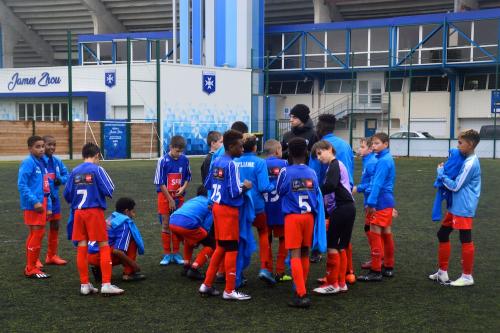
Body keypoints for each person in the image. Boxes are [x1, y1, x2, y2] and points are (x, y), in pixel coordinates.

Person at [199, 129, 253, 301]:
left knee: (221, 246)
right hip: (228, 210)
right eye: (240, 147)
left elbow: (208, 183)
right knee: (231, 249)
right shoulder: (231, 164)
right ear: (231, 146)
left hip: (217, 207)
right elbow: (234, 191)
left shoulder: (216, 161)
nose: (242, 150)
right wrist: (246, 186)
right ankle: (229, 290)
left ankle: (206, 284)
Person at [64, 142, 124, 295]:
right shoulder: (97, 169)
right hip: (94, 212)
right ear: (97, 155)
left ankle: (84, 284)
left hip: (78, 213)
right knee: (103, 245)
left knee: (82, 246)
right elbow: (110, 188)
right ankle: (106, 283)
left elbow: (67, 195)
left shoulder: (75, 171)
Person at [429, 129, 481, 287]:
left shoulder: (471, 163)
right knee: (442, 233)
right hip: (455, 206)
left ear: (470, 144)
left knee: (465, 238)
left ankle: (467, 276)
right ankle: (442, 272)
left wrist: (441, 174)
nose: (457, 146)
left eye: (460, 143)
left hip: (464, 206)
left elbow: (456, 186)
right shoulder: (465, 158)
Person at [277, 137, 323, 308]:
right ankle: (301, 286)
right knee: (305, 253)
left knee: (295, 254)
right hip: (309, 217)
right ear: (306, 153)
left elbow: (280, 191)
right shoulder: (312, 172)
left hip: (293, 217)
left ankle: (301, 293)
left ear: (289, 153)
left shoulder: (286, 171)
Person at [308, 114, 354, 265]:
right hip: (346, 195)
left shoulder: (319, 147)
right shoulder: (345, 145)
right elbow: (349, 170)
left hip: (328, 197)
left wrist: (315, 192)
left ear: (320, 128)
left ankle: (317, 253)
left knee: (327, 233)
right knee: (344, 236)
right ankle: (348, 272)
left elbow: (313, 174)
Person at [311, 141, 356, 295]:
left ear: (329, 149)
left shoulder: (335, 164)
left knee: (332, 245)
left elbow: (330, 185)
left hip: (342, 208)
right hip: (348, 208)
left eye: (319, 153)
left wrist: (314, 191)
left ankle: (332, 283)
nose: (318, 158)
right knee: (341, 245)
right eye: (316, 155)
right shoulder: (335, 165)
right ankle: (341, 283)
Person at [235, 134, 275, 285]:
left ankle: (237, 274)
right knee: (263, 233)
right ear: (255, 147)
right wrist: (273, 186)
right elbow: (264, 186)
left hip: (239, 205)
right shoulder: (259, 162)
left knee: (239, 238)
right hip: (257, 206)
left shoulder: (235, 161)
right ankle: (265, 268)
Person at [357, 133, 396, 282]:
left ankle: (376, 270)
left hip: (380, 202)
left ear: (386, 144)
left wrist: (371, 203)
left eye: (377, 143)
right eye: (373, 143)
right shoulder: (384, 159)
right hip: (386, 200)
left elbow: (377, 184)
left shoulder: (383, 161)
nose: (374, 146)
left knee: (375, 234)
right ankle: (388, 267)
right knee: (386, 233)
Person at [18, 136, 52, 279]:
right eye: (38, 147)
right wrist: (35, 202)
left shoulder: (42, 162)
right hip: (34, 205)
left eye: (43, 146)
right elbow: (22, 184)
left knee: (36, 234)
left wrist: (48, 205)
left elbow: (46, 186)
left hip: (41, 203)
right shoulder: (28, 163)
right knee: (36, 234)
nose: (42, 149)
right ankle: (30, 268)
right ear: (30, 149)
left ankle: (32, 263)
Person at [88, 197, 146, 282]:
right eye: (133, 211)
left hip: (89, 255)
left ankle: (100, 270)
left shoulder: (111, 217)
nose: (134, 214)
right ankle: (128, 273)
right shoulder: (124, 224)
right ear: (126, 211)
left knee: (110, 242)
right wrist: (133, 265)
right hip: (100, 256)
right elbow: (117, 251)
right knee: (133, 241)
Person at [154, 135, 192, 266]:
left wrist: (183, 187)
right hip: (164, 197)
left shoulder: (185, 160)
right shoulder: (162, 161)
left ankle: (176, 253)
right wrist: (170, 199)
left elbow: (188, 177)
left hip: (179, 197)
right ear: (170, 147)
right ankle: (166, 254)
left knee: (176, 224)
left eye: (181, 151)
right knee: (165, 224)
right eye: (177, 151)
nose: (178, 154)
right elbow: (160, 182)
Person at [170, 186, 215, 280]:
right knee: (212, 244)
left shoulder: (192, 200)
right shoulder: (210, 203)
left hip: (173, 220)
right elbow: (206, 225)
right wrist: (202, 238)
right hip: (187, 223)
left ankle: (186, 266)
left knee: (189, 239)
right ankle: (194, 269)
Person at [262, 139, 290, 282]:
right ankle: (280, 271)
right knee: (283, 239)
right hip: (280, 209)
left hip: (265, 209)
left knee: (266, 239)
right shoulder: (285, 164)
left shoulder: (261, 164)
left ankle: (266, 269)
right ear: (278, 150)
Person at [42, 135, 69, 265]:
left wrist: (61, 180)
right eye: (49, 144)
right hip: (43, 200)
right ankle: (34, 260)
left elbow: (67, 175)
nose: (52, 147)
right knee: (39, 229)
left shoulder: (57, 161)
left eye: (54, 144)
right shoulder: (39, 161)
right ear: (43, 145)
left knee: (55, 225)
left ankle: (51, 256)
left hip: (55, 200)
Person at [353, 137, 378, 269]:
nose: (359, 149)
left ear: (370, 149)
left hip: (373, 202)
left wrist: (358, 188)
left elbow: (374, 183)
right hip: (369, 200)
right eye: (360, 146)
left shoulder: (372, 162)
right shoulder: (367, 160)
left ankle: (378, 259)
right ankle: (378, 257)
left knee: (372, 230)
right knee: (370, 229)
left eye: (362, 147)